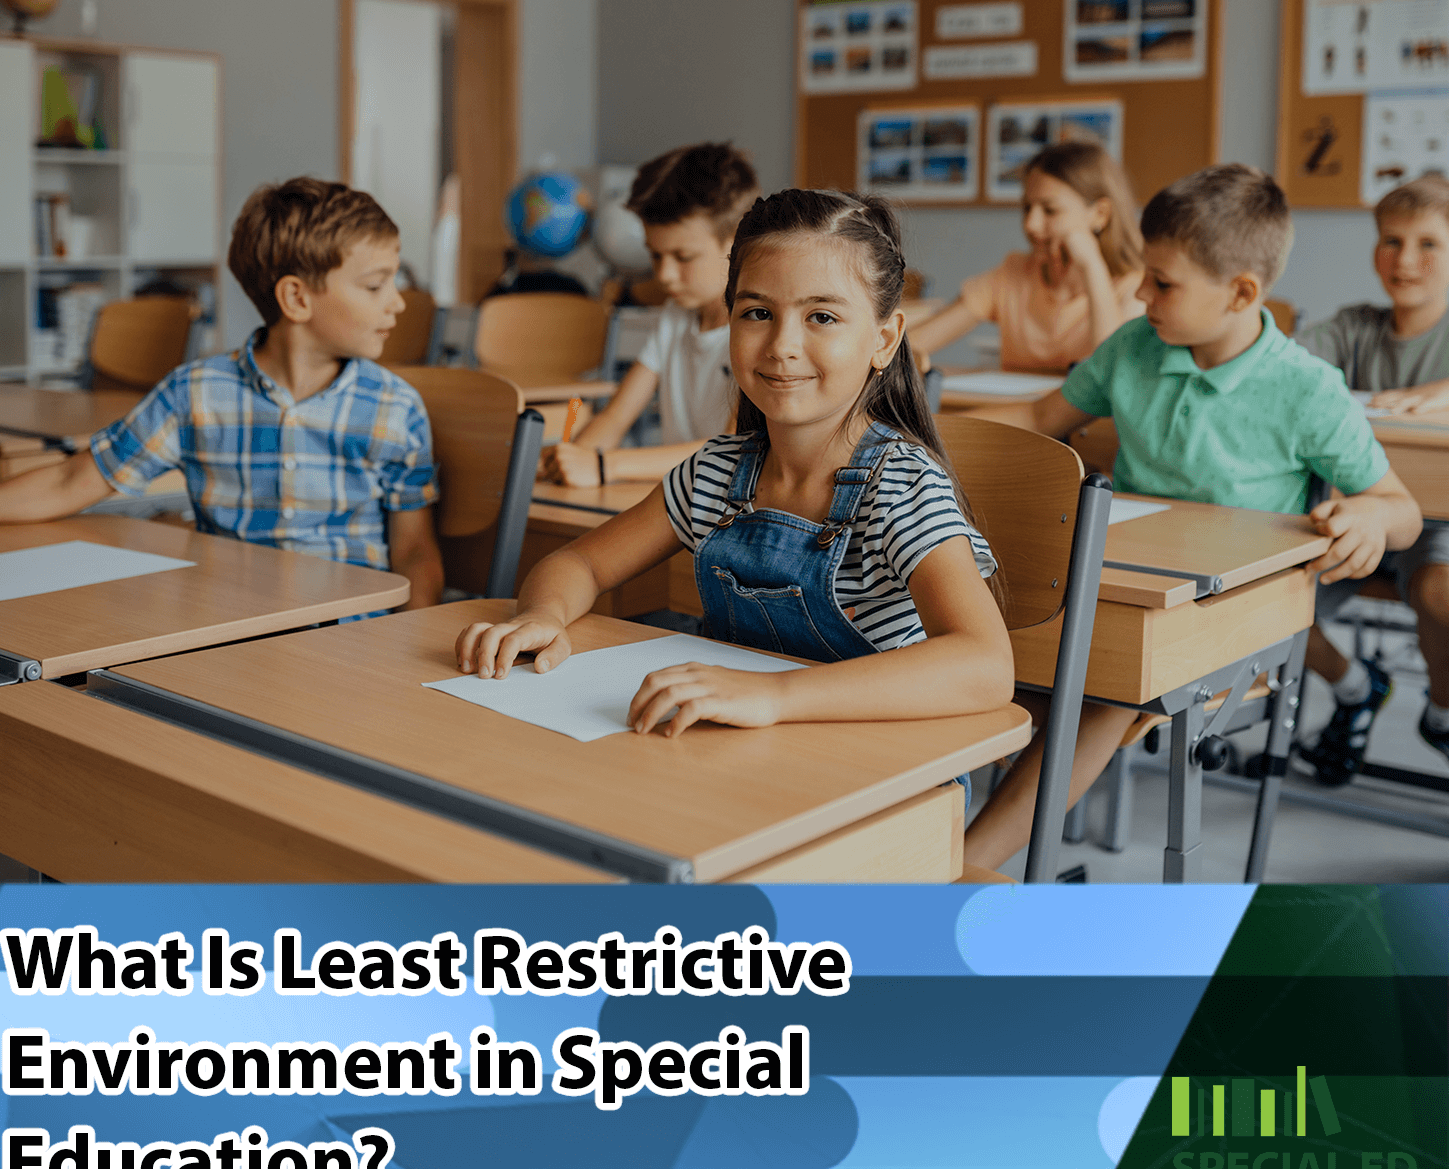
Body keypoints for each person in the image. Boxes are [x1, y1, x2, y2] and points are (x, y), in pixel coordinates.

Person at [960, 164, 1422, 873]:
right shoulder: (1133, 349)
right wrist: (920, 436)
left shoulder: (1305, 391)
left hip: (1235, 615)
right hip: (1131, 582)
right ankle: (933, 849)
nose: (1140, 293)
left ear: (1241, 292)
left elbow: (1401, 511)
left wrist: (1367, 515)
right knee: (992, 650)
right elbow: (1038, 418)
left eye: (1162, 283)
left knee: (1106, 685)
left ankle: (963, 868)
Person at [456, 188, 1013, 752]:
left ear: (884, 339)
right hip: (737, 749)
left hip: (877, 765)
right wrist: (543, 614)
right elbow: (580, 562)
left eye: (822, 316)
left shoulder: (900, 486)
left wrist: (773, 696)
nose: (782, 344)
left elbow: (985, 664)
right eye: (757, 313)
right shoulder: (717, 473)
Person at [0, 177, 444, 609]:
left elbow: (413, 552)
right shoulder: (195, 393)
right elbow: (71, 481)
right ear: (297, 299)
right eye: (375, 285)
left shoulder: (394, 408)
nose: (398, 301)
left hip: (350, 635)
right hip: (224, 625)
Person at [1294, 173, 1449, 776]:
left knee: (1436, 589)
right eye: (1390, 240)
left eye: (1428, 243)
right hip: (1349, 509)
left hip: (1435, 516)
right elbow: (1285, 364)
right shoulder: (1354, 326)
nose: (1405, 259)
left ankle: (1440, 710)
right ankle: (1357, 687)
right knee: (1261, 596)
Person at [538, 143, 756, 486]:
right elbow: (616, 416)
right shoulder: (675, 316)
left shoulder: (757, 330)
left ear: (736, 242)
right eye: (655, 256)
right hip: (678, 502)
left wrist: (603, 465)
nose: (665, 274)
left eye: (683, 257)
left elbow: (730, 453)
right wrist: (567, 459)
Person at [907, 141, 1145, 373]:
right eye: (1027, 208)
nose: (1031, 224)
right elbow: (915, 342)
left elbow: (1114, 371)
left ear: (1100, 214)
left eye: (1050, 210)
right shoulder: (1011, 275)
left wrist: (1093, 267)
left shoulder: (1136, 287)